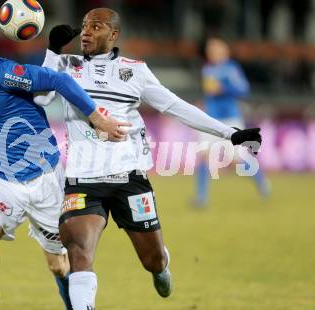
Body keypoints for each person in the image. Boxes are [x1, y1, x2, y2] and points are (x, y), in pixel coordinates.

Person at [34, 8, 262, 309]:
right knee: (78, 253)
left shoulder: (134, 71)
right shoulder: (66, 65)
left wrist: (228, 134)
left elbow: (175, 106)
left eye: (96, 26)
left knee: (151, 260)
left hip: (129, 180)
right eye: (85, 26)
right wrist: (51, 52)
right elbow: (41, 98)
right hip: (82, 182)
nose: (86, 32)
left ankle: (161, 267)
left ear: (114, 34)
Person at [0, 8, 129, 310]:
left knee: (58, 265)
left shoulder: (3, 72)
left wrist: (97, 119)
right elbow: (34, 100)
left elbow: (58, 82)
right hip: (0, 179)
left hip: (45, 180)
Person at [195, 37, 270, 206]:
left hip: (230, 119)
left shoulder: (231, 68)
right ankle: (201, 197)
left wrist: (223, 88)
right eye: (210, 49)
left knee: (236, 160)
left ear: (224, 51)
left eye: (215, 49)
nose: (211, 52)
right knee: (203, 155)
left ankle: (261, 182)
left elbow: (243, 89)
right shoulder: (207, 69)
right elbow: (210, 93)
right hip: (210, 118)